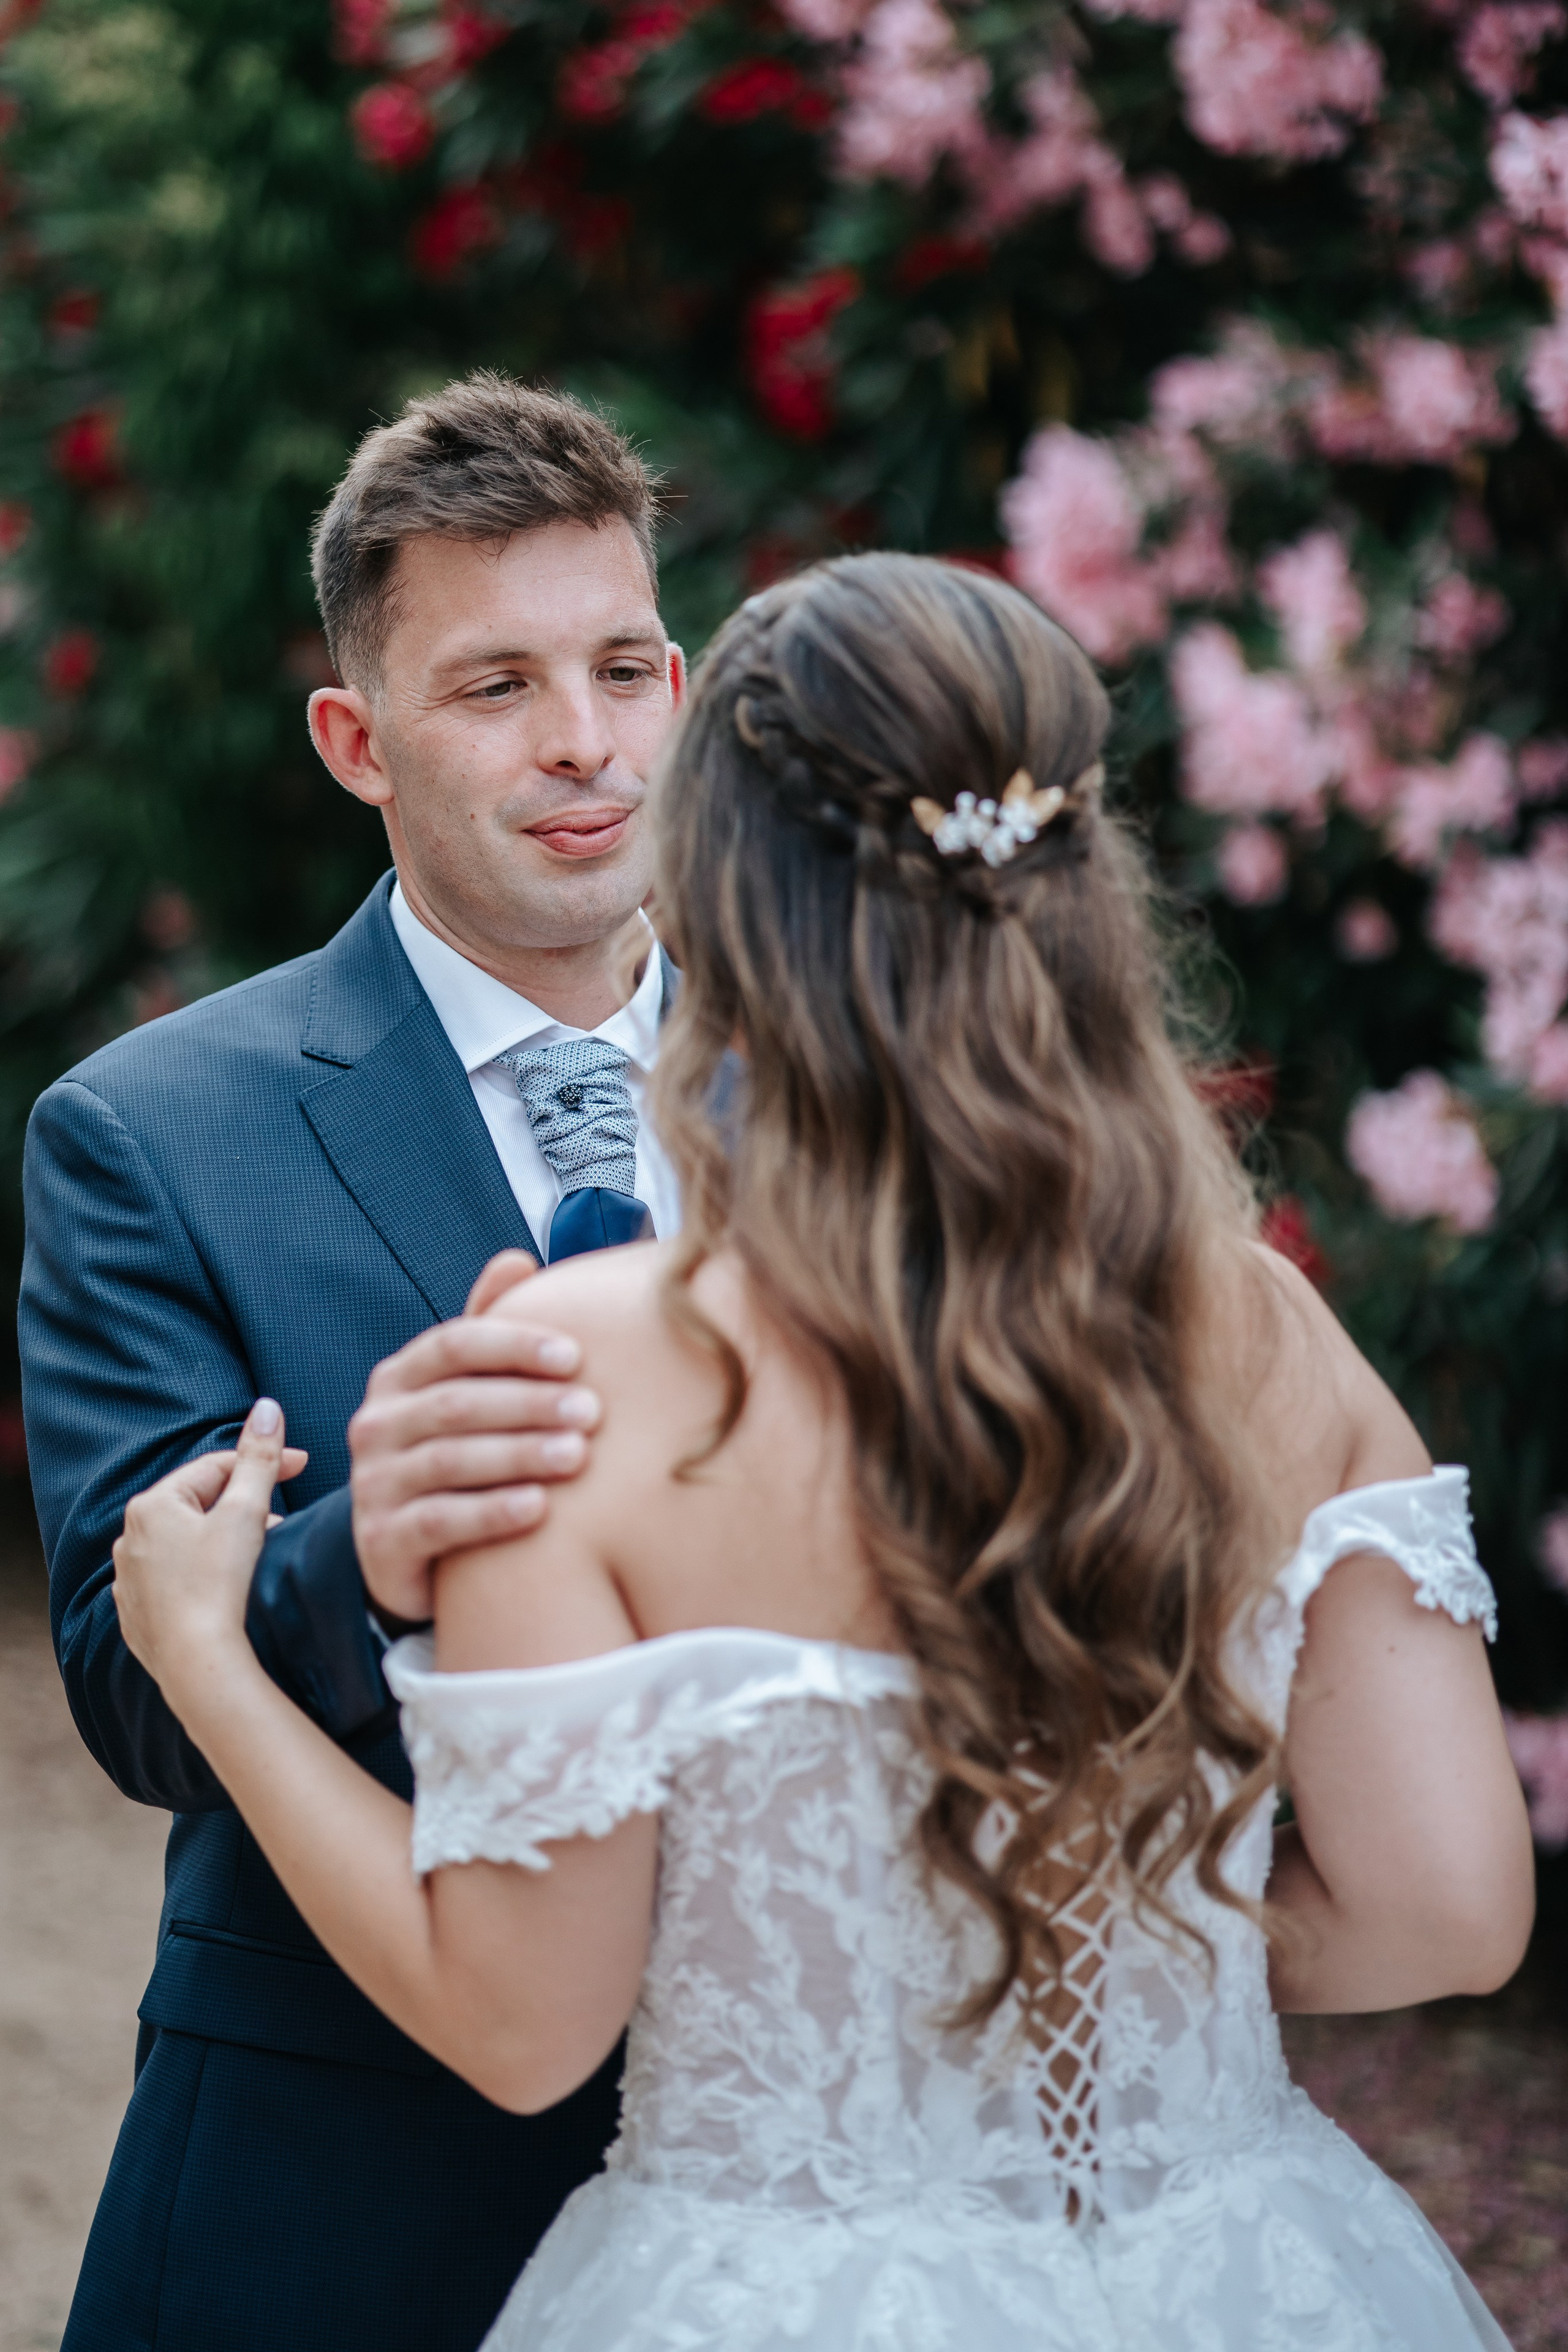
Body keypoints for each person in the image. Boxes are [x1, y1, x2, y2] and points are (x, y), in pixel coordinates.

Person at [111, 552, 1533, 2350]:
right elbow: (1451, 1915)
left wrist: (206, 1659)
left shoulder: (575, 1373)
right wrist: (1085, 1964)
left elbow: (525, 2025)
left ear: (724, 890)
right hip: (1243, 2275)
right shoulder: (1268, 1334)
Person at [19, 374, 690, 2352]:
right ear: (356, 738)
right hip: (355, 2173)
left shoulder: (874, 1079)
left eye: (625, 667)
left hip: (835, 2155)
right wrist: (362, 1550)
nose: (584, 746)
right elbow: (122, 1686)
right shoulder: (152, 1132)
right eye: (494, 688)